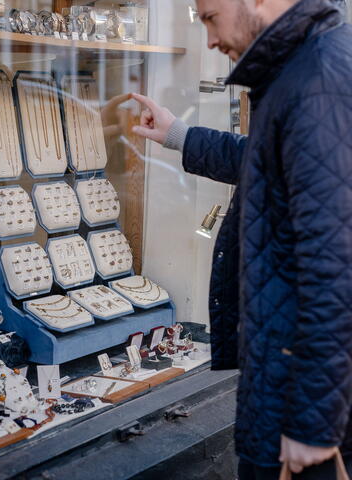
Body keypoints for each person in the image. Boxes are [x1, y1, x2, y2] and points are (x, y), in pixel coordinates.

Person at [131, 0, 352, 478]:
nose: (208, 39)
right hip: (288, 378)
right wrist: (179, 136)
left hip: (298, 397)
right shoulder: (305, 67)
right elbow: (268, 160)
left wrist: (313, 423)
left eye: (209, 16)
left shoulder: (317, 81)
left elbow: (335, 265)